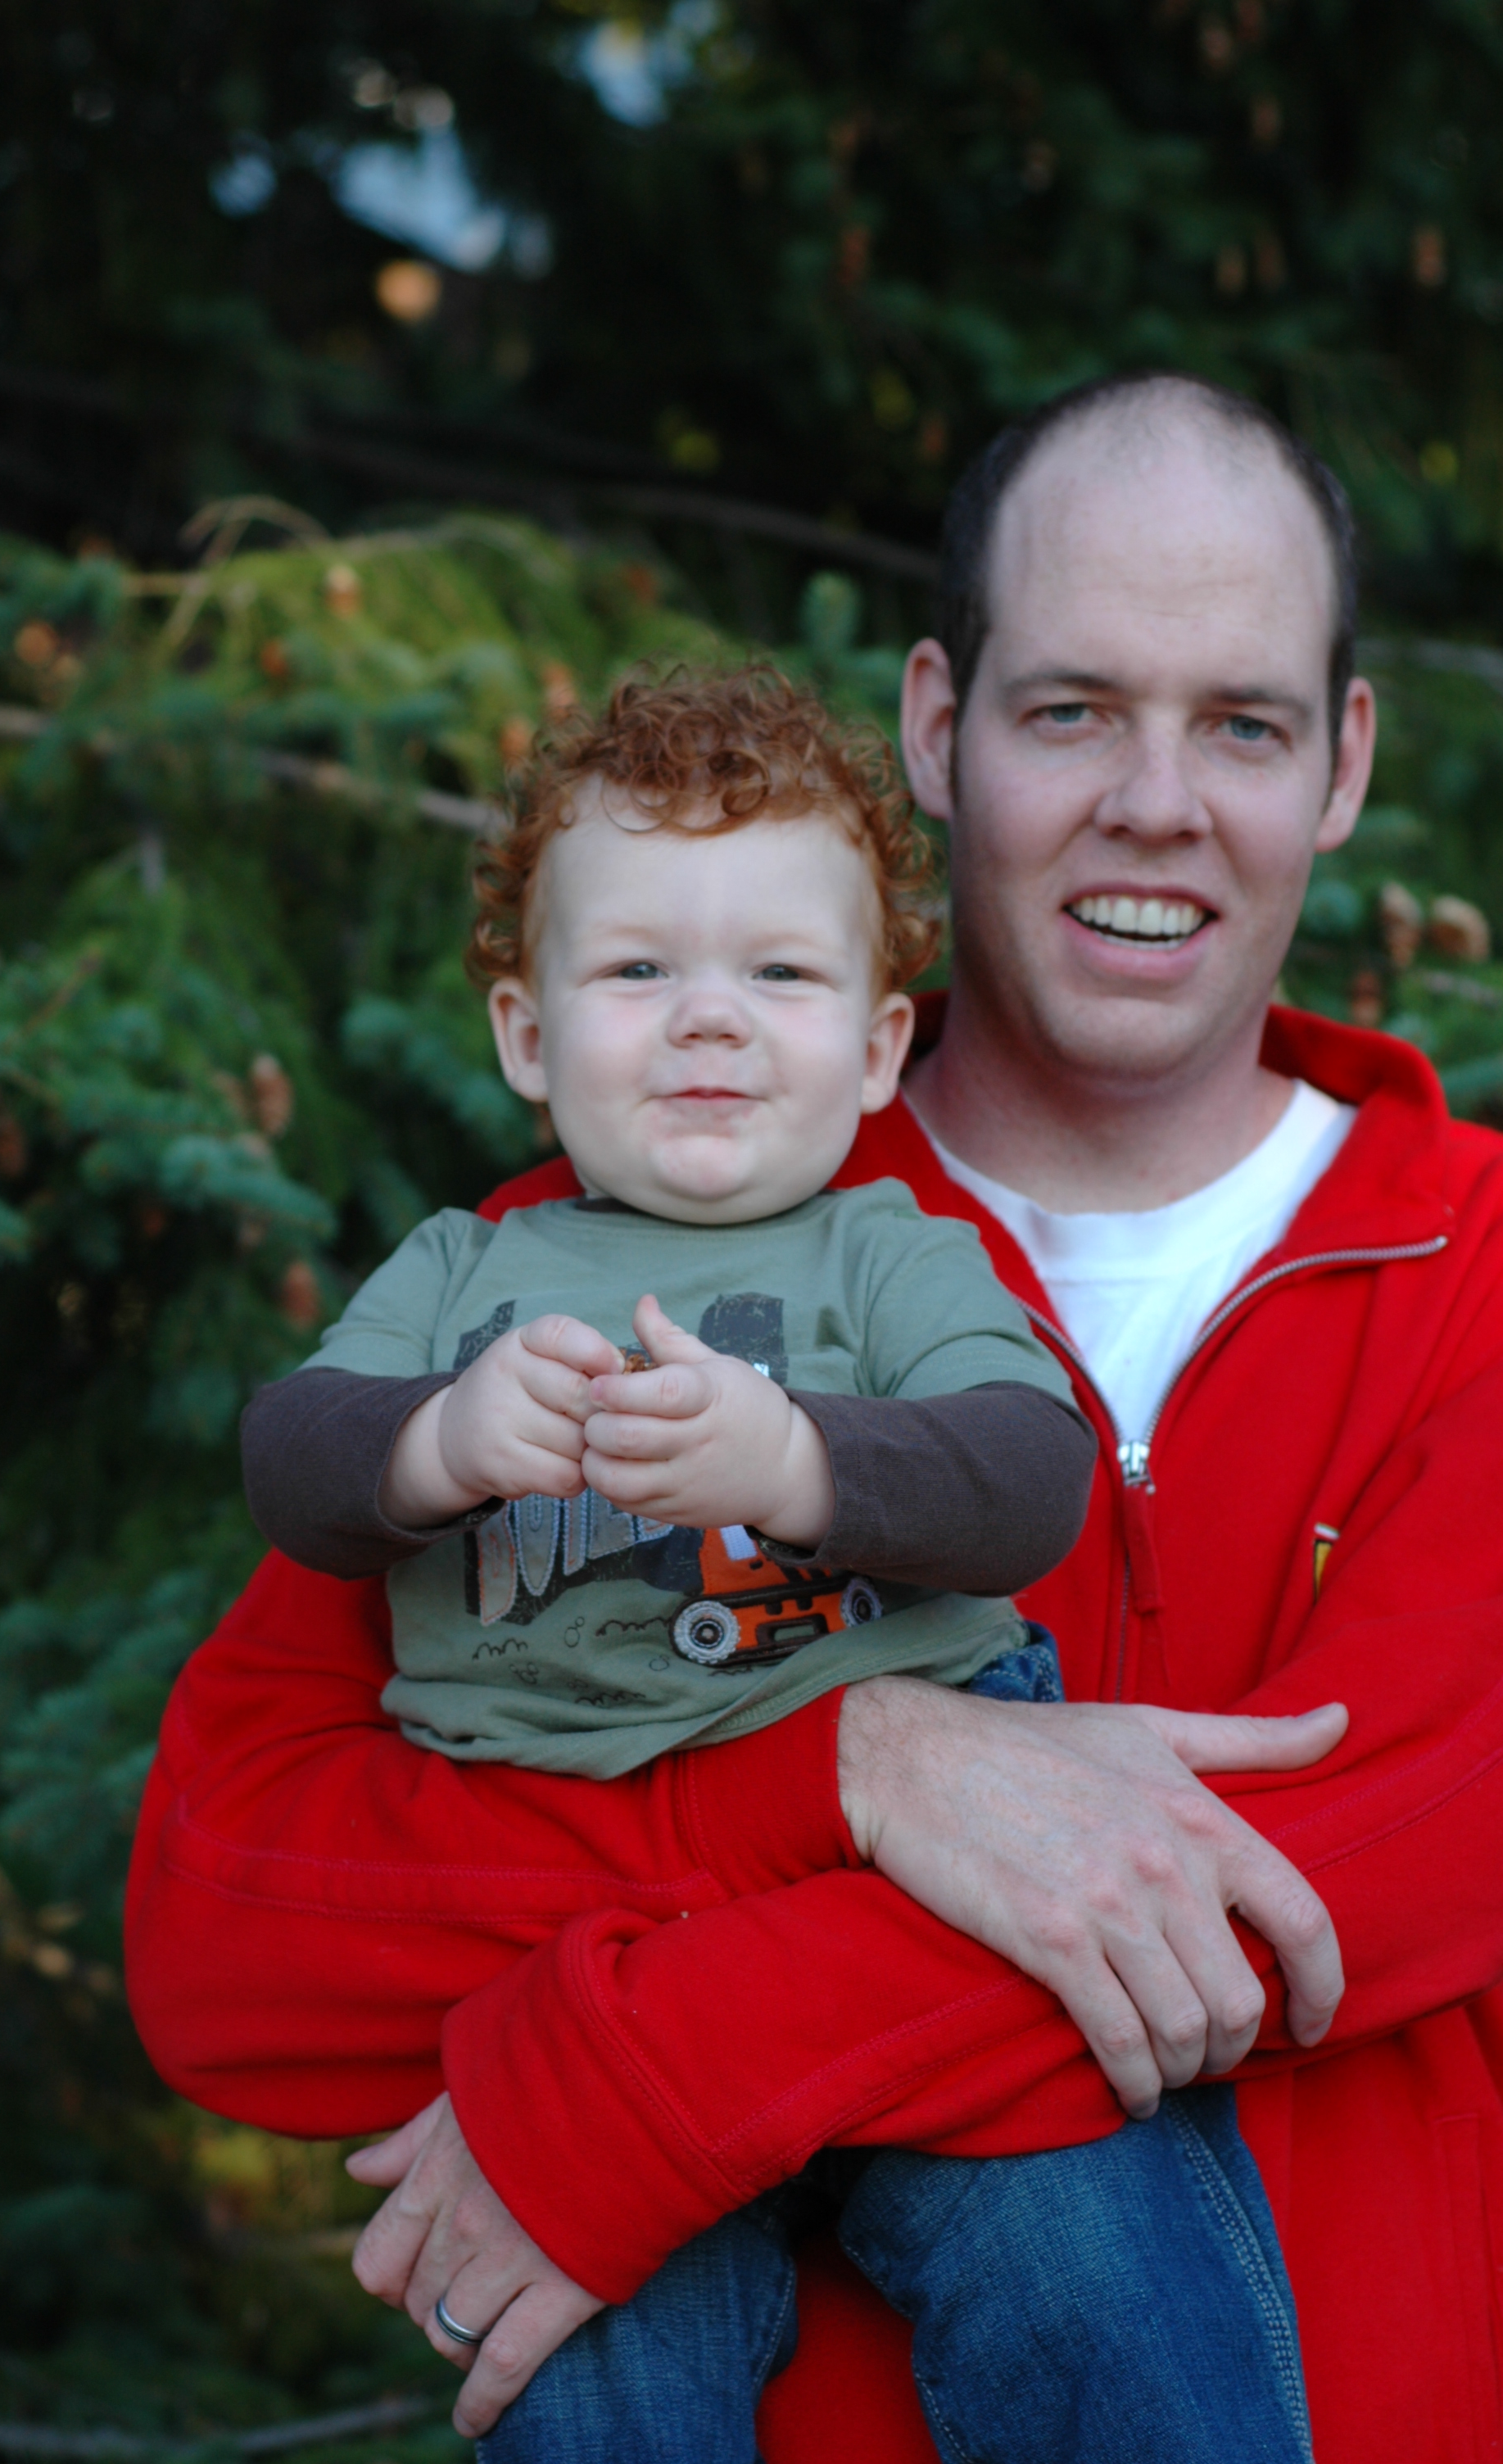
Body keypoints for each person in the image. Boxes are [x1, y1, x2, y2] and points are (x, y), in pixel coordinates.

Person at [125, 371, 1503, 2464]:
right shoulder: (598, 1268)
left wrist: (634, 2088)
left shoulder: (1472, 1276)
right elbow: (229, 1922)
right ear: (939, 726)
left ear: (1345, 762)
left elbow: (1318, 1898)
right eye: (1070, 710)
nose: (1155, 801)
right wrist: (848, 1768)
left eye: (1241, 723)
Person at [238, 664, 1311, 2462]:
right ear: (524, 1032)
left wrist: (796, 1462)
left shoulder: (892, 1256)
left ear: (879, 1050)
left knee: (1100, 2274)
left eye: (782, 975)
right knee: (590, 2378)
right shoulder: (460, 1275)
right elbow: (291, 1457)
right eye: (637, 969)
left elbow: (1026, 1477)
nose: (709, 1021)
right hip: (574, 1931)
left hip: (921, 1914)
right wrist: (438, 1442)